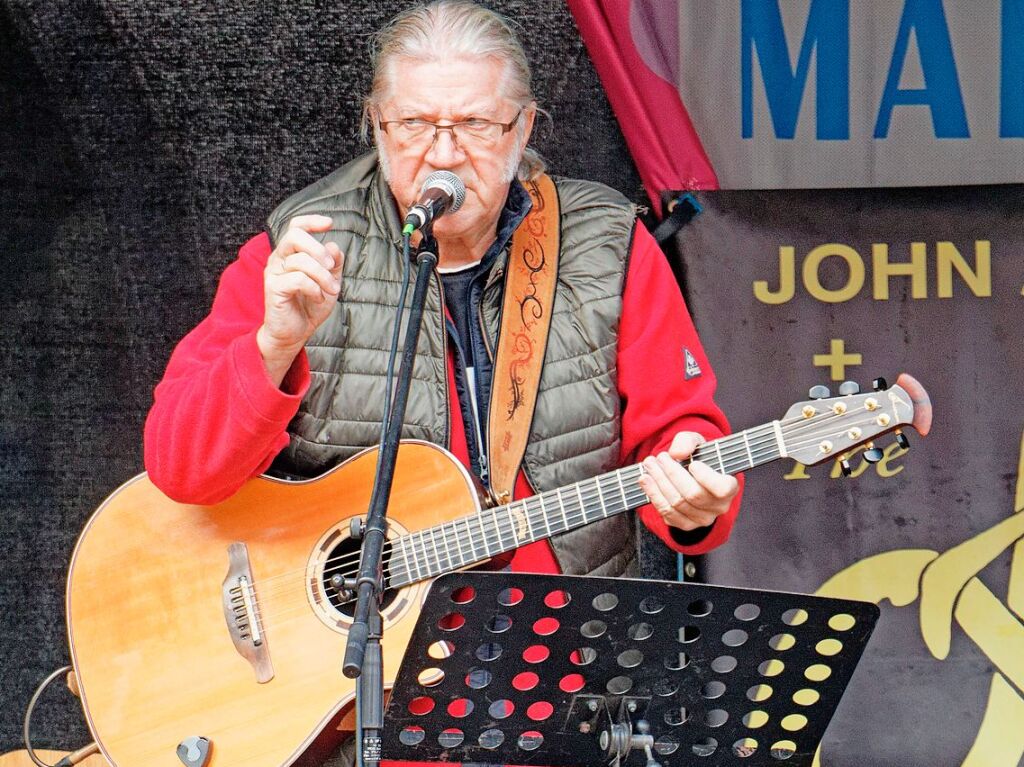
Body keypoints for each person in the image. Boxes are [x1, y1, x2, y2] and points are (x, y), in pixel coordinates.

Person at [145, 0, 740, 603]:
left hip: (565, 654)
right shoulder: (301, 249)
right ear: (377, 126)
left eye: (476, 124)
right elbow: (181, 470)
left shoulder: (605, 245)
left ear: (524, 128)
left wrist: (694, 498)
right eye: (414, 124)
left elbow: (680, 434)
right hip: (361, 677)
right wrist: (273, 346)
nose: (445, 154)